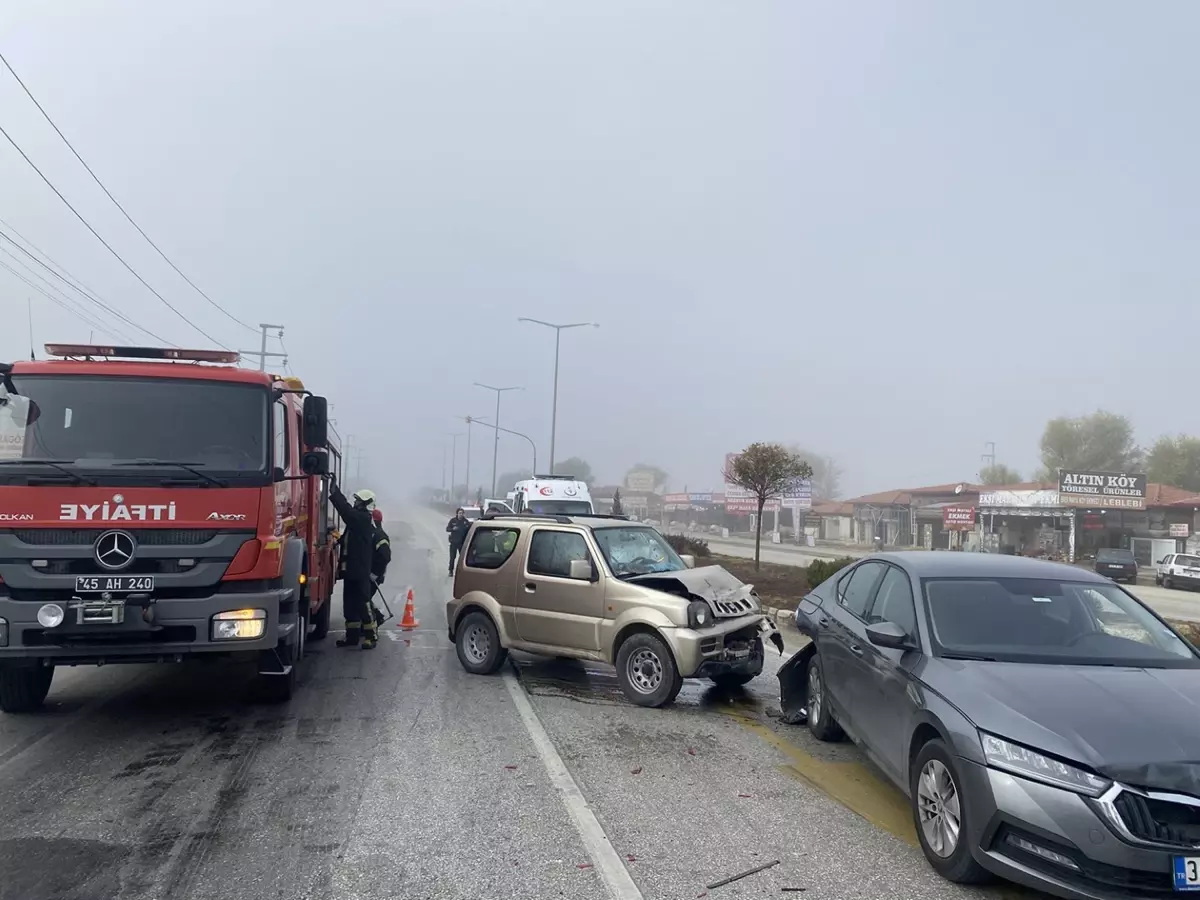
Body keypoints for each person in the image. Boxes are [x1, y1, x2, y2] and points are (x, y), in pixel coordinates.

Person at [328, 478, 377, 649]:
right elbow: (351, 540)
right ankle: (352, 637)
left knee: (363, 604)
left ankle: (371, 636)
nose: (355, 502)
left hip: (360, 571)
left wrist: (335, 493)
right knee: (349, 605)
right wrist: (338, 538)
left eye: (358, 501)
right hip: (350, 570)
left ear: (365, 505)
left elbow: (347, 512)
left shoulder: (363, 519)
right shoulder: (358, 522)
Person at [446, 507, 471, 575]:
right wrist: (452, 529)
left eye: (462, 513)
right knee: (452, 558)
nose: (461, 514)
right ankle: (450, 571)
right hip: (453, 542)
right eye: (459, 513)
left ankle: (462, 572)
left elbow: (469, 531)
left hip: (462, 543)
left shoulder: (466, 522)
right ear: (457, 513)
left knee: (462, 559)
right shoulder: (453, 521)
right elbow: (447, 529)